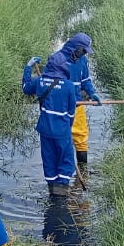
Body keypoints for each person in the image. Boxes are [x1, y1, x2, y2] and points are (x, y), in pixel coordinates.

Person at [22, 49, 78, 196]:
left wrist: (28, 68)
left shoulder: (40, 81)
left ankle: (52, 192)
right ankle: (61, 193)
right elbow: (72, 112)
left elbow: (25, 88)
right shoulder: (69, 86)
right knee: (66, 161)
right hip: (62, 132)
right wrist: (67, 127)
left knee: (49, 159)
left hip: (45, 130)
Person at [64, 32, 102, 165]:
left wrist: (92, 93)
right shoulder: (57, 59)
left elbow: (85, 80)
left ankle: (83, 170)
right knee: (60, 138)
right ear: (76, 48)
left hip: (77, 104)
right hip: (61, 106)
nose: (84, 53)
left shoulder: (83, 60)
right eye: (83, 50)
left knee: (81, 137)